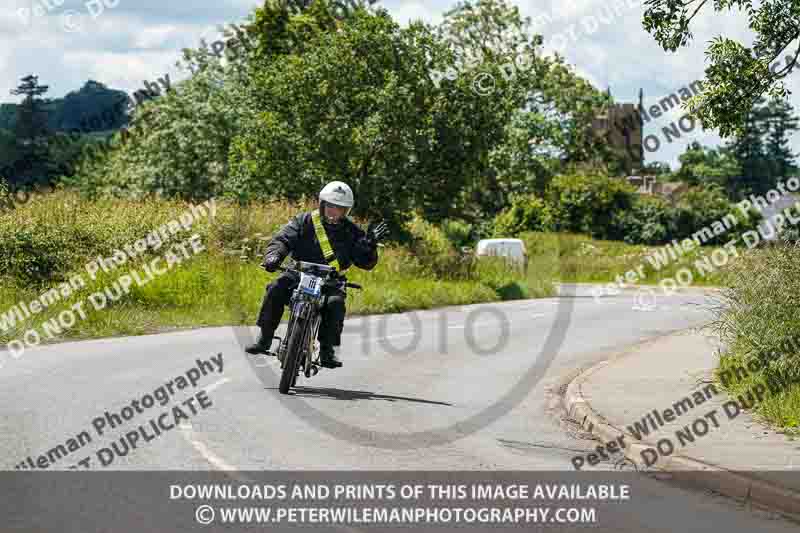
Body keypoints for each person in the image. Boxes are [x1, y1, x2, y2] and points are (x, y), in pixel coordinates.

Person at [245, 181, 389, 368]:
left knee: (335, 304)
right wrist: (274, 256)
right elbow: (282, 239)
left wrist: (369, 245)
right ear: (321, 204)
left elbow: (366, 263)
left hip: (330, 281)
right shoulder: (304, 221)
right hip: (298, 274)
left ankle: (327, 351)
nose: (333, 211)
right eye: (330, 205)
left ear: (346, 211)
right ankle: (265, 338)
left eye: (339, 208)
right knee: (275, 288)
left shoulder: (353, 232)